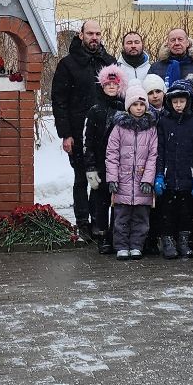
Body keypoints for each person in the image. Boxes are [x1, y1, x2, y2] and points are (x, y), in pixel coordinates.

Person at [51, 19, 112, 235]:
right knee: (80, 178)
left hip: (104, 134)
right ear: (81, 35)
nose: (94, 37)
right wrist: (66, 134)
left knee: (99, 180)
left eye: (97, 33)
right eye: (90, 33)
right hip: (77, 132)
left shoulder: (109, 62)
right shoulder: (67, 64)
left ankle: (98, 222)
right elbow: (59, 101)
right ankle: (82, 222)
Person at [152, 80, 193, 259]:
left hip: (188, 177)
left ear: (188, 101)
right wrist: (159, 174)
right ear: (169, 102)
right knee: (167, 212)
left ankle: (184, 240)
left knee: (186, 212)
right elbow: (159, 150)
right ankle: (168, 241)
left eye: (181, 101)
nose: (178, 105)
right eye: (175, 101)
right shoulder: (164, 123)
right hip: (168, 176)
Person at [104, 93, 159, 259]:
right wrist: (112, 178)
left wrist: (148, 179)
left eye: (142, 105)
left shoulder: (151, 129)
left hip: (142, 182)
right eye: (135, 105)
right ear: (129, 107)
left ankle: (137, 245)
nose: (139, 108)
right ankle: (121, 246)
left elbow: (153, 155)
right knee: (121, 217)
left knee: (141, 218)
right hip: (123, 181)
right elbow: (111, 154)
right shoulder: (119, 128)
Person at [81, 66, 126, 255]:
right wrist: (90, 167)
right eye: (107, 84)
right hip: (100, 164)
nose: (111, 87)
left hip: (122, 165)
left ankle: (116, 236)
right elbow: (88, 140)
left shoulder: (125, 108)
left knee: (118, 202)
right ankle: (102, 235)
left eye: (114, 84)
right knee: (101, 203)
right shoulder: (94, 110)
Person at [113, 30, 152, 104]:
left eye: (137, 42)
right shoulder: (116, 69)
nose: (133, 46)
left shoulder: (152, 68)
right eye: (129, 43)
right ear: (123, 46)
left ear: (142, 44)